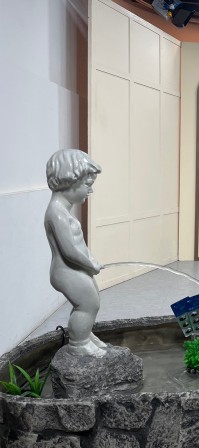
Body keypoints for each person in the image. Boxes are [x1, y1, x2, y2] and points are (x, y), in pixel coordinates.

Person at [45, 149, 108, 356]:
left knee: (90, 301)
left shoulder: (62, 211)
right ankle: (79, 344)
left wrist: (90, 260)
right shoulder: (56, 213)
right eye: (87, 185)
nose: (91, 191)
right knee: (88, 304)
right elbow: (69, 251)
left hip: (75, 269)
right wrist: (90, 264)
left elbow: (77, 246)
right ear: (69, 181)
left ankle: (84, 334)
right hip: (66, 271)